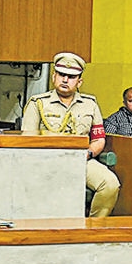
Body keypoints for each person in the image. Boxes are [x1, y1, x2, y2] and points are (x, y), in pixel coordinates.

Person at [22, 52, 120, 217]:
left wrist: (88, 154)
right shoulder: (37, 103)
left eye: (71, 76)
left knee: (110, 184)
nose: (65, 80)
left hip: (81, 160)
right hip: (46, 161)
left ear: (79, 81)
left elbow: (98, 139)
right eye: (61, 74)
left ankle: (93, 227)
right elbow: (27, 141)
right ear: (53, 77)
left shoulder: (90, 104)